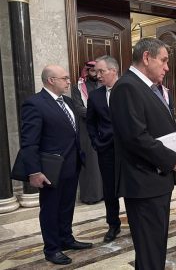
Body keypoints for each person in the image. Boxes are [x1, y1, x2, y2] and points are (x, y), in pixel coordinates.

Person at [109, 37, 176, 269]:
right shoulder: (127, 87)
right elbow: (135, 137)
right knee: (149, 248)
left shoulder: (146, 87)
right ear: (146, 57)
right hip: (142, 182)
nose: (166, 67)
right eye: (163, 61)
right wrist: (172, 158)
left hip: (155, 180)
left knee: (155, 244)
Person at [19, 65, 92, 265]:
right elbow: (29, 142)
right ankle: (52, 248)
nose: (69, 81)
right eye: (65, 78)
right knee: (50, 209)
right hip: (51, 169)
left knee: (67, 206)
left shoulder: (67, 101)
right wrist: (34, 171)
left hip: (72, 165)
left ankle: (66, 239)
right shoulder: (34, 104)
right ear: (51, 80)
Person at [86, 55, 121, 243]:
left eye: (101, 71)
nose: (98, 75)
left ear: (113, 71)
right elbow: (90, 123)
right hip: (106, 150)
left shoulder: (129, 90)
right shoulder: (95, 96)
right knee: (109, 190)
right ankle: (113, 224)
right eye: (96, 72)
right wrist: (96, 142)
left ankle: (138, 220)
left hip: (129, 151)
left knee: (132, 186)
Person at [71, 60, 103, 204]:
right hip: (86, 129)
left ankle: (105, 194)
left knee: (103, 161)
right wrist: (98, 114)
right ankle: (91, 196)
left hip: (103, 128)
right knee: (91, 163)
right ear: (86, 71)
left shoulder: (102, 85)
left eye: (97, 71)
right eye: (92, 71)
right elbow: (78, 108)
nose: (95, 74)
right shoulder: (77, 87)